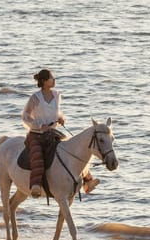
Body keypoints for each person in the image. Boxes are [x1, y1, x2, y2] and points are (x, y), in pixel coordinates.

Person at [21, 69, 98, 197]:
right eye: (52, 78)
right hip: (37, 134)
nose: (54, 80)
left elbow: (57, 112)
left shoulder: (57, 95)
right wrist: (40, 126)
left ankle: (87, 181)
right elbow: (25, 116)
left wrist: (61, 118)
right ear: (45, 81)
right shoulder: (35, 97)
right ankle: (35, 185)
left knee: (73, 150)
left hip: (53, 132)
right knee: (37, 157)